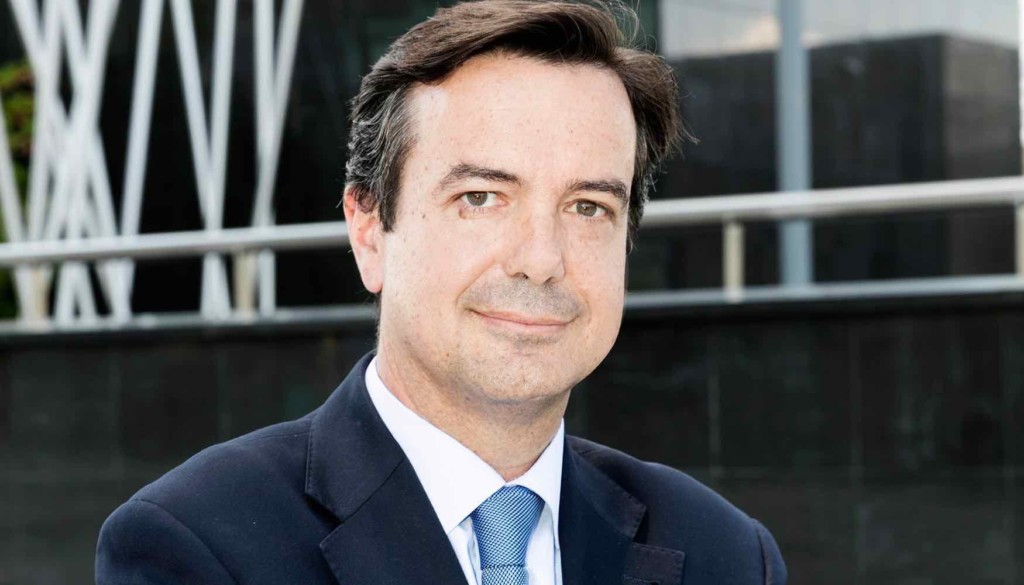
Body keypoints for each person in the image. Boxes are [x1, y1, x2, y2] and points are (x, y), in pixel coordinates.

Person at [95, 1, 787, 583]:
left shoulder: (725, 554)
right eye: (481, 197)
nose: (540, 260)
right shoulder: (197, 545)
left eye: (587, 207)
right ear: (370, 230)